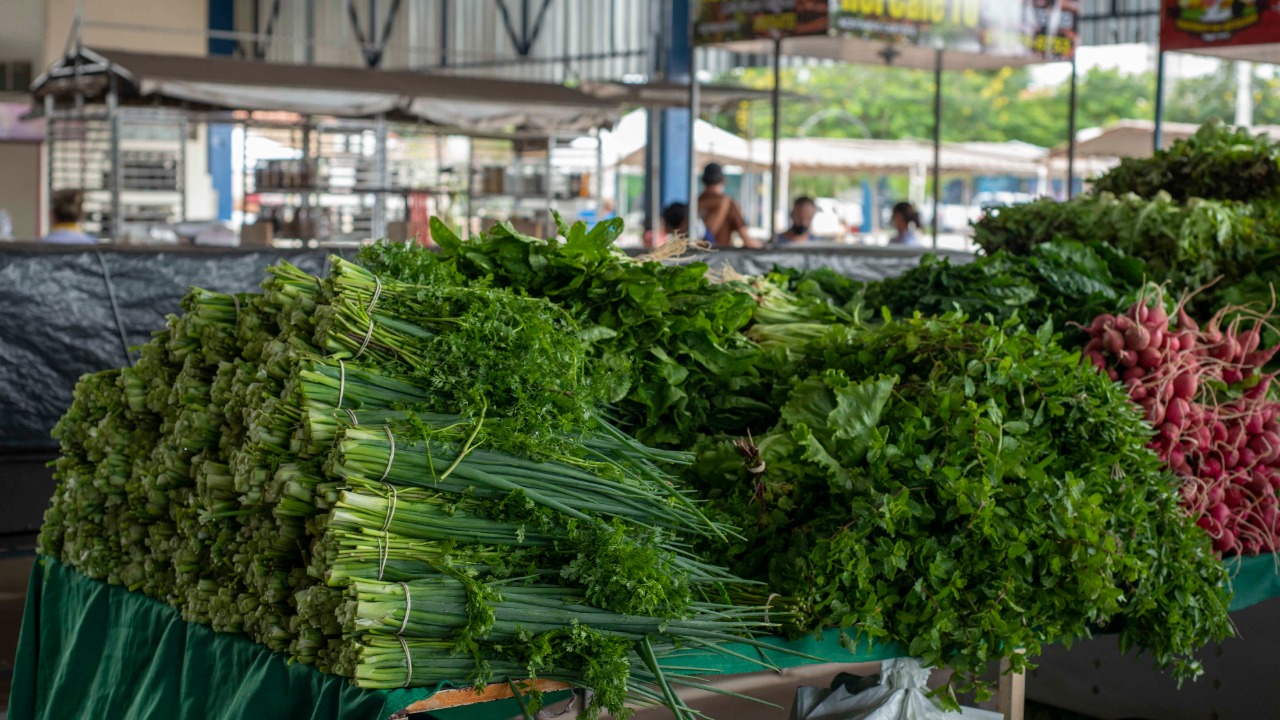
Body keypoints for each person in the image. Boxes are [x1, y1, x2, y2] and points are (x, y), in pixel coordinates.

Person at [697, 163, 760, 249]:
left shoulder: (695, 203)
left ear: (703, 181)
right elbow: (747, 240)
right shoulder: (728, 202)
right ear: (724, 180)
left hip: (696, 257)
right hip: (721, 257)